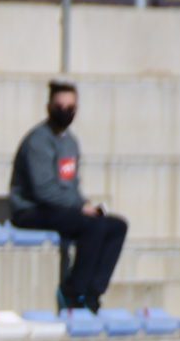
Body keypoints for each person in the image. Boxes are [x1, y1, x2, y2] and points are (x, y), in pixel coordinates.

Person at [10, 81, 126, 311]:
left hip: (60, 209)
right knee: (92, 227)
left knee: (116, 226)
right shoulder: (38, 141)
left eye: (71, 106)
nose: (65, 111)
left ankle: (93, 293)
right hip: (31, 210)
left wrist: (84, 204)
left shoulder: (70, 142)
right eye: (60, 106)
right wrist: (79, 208)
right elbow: (43, 190)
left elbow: (70, 185)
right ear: (49, 107)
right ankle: (73, 291)